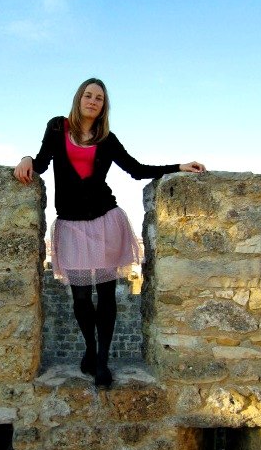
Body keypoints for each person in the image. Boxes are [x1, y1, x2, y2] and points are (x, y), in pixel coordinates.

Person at [14, 78, 206, 387]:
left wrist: (178, 166)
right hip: (71, 224)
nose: (92, 101)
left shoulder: (106, 138)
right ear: (79, 99)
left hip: (106, 220)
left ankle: (102, 360)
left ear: (104, 106)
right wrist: (26, 159)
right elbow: (41, 163)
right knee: (80, 297)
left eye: (99, 98)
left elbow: (136, 169)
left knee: (106, 294)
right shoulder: (57, 127)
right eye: (88, 95)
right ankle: (90, 349)